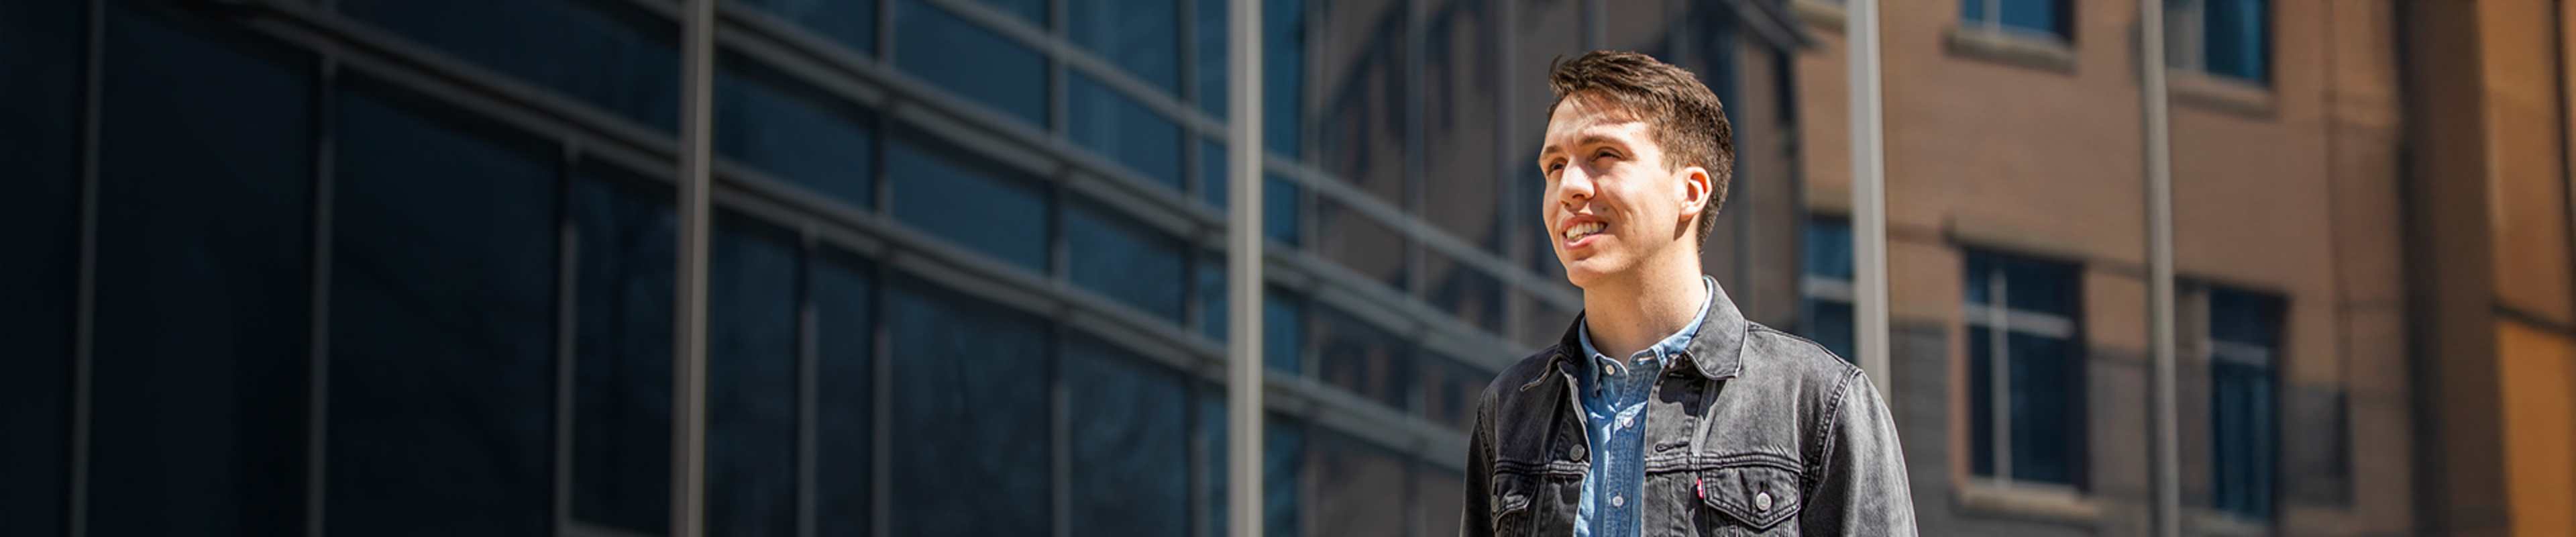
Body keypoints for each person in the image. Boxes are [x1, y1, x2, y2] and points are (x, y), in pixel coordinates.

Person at [1462, 50, 1916, 536]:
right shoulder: (1510, 409)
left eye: (1604, 156)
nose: (1569, 187)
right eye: (1554, 166)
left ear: (1692, 190)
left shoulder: (1819, 402)